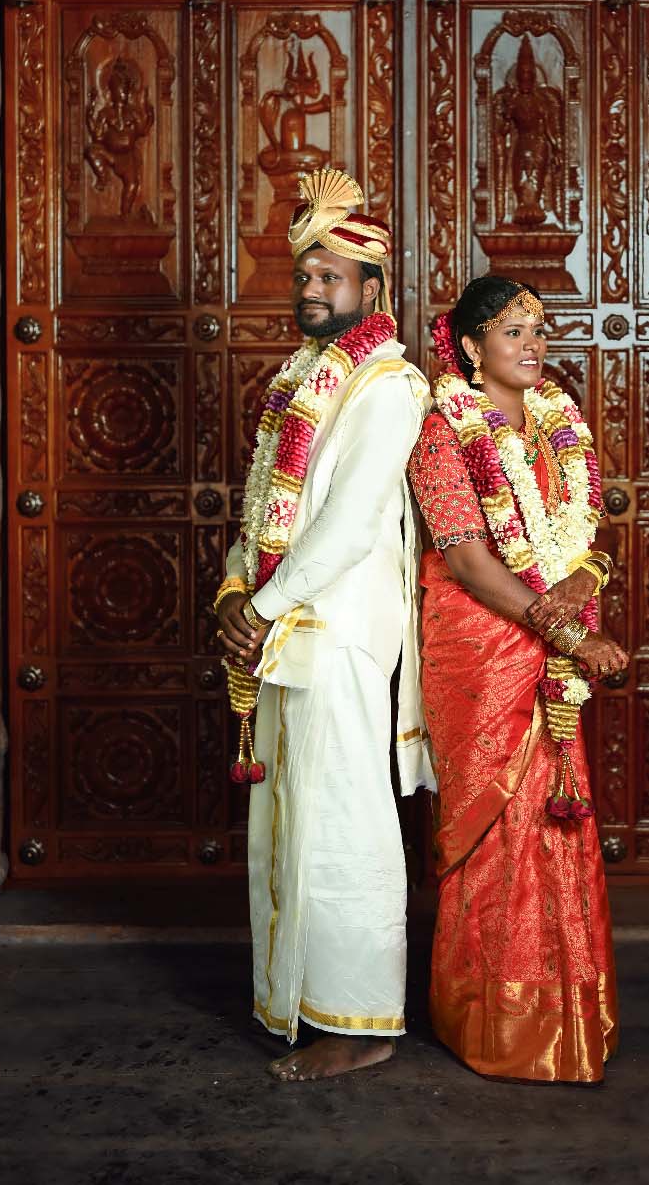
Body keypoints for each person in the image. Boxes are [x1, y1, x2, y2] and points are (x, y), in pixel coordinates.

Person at [216, 168, 434, 1082]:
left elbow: (345, 526)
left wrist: (259, 606)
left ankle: (364, 1024)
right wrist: (235, 590)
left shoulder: (391, 386)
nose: (312, 290)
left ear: (372, 291)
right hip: (278, 624)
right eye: (304, 275)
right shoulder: (297, 379)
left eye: (332, 277)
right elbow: (268, 504)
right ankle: (298, 998)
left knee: (344, 814)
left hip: (338, 631)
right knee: (289, 811)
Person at [407, 275, 628, 1083]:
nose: (533, 345)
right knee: (500, 824)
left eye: (539, 329)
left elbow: (580, 532)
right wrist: (565, 627)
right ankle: (495, 1024)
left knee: (556, 818)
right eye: (512, 331)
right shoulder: (441, 434)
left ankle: (569, 1016)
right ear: (470, 348)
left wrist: (587, 573)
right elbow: (467, 560)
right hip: (481, 649)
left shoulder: (556, 423)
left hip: (547, 640)